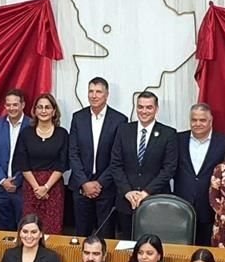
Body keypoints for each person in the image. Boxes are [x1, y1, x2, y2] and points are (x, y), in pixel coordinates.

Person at [108, 91, 178, 239]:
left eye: (149, 107)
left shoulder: (169, 133)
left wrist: (146, 193)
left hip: (155, 201)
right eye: (140, 107)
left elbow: (169, 169)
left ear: (156, 109)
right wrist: (127, 192)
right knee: (126, 245)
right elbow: (115, 164)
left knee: (152, 244)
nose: (144, 111)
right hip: (126, 201)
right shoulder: (123, 130)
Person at [68, 77, 128, 238]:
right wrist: (85, 183)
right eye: (91, 91)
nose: (94, 95)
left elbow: (117, 158)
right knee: (81, 235)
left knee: (106, 236)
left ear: (106, 95)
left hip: (106, 188)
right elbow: (73, 153)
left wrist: (99, 183)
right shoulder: (77, 118)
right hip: (81, 187)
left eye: (98, 92)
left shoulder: (119, 120)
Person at [173, 104, 225, 246]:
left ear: (211, 121)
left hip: (210, 208)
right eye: (194, 120)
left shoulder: (224, 142)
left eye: (202, 120)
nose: (198, 124)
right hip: (181, 207)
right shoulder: (177, 139)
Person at [13, 93, 69, 234]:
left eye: (47, 107)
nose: (43, 111)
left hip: (53, 189)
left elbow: (62, 164)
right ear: (35, 111)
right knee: (30, 229)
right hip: (31, 187)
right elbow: (23, 162)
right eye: (40, 107)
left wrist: (46, 187)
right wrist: (37, 187)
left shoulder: (62, 134)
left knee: (52, 229)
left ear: (54, 111)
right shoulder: (26, 133)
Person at [0, 89, 31, 230]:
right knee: (2, 228)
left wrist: (16, 181)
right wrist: (2, 180)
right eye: (8, 105)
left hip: (22, 186)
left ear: (23, 105)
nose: (11, 108)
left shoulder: (31, 125)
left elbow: (31, 158)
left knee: (23, 226)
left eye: (15, 104)